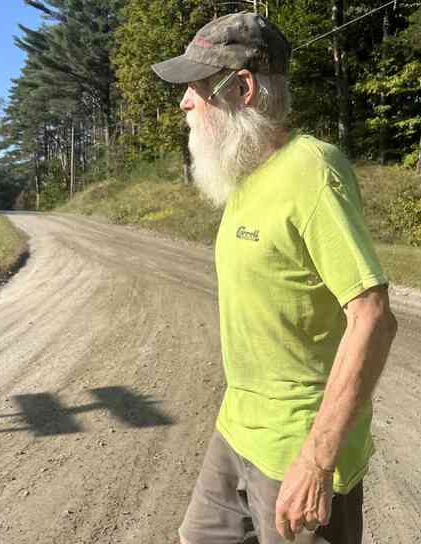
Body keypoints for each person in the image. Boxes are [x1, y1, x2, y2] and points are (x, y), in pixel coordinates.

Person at [151, 12, 398, 544]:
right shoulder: (243, 182)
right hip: (238, 428)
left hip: (298, 448)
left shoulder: (312, 168)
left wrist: (316, 462)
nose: (184, 103)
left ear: (240, 88)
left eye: (194, 88)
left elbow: (372, 316)